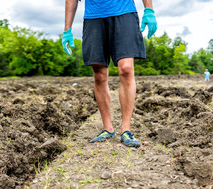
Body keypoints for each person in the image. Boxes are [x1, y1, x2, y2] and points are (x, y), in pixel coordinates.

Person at [62, 0, 157, 148]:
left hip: (124, 12)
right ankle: (108, 128)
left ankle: (126, 129)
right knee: (99, 75)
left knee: (126, 69)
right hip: (94, 16)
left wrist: (149, 10)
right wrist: (67, 29)